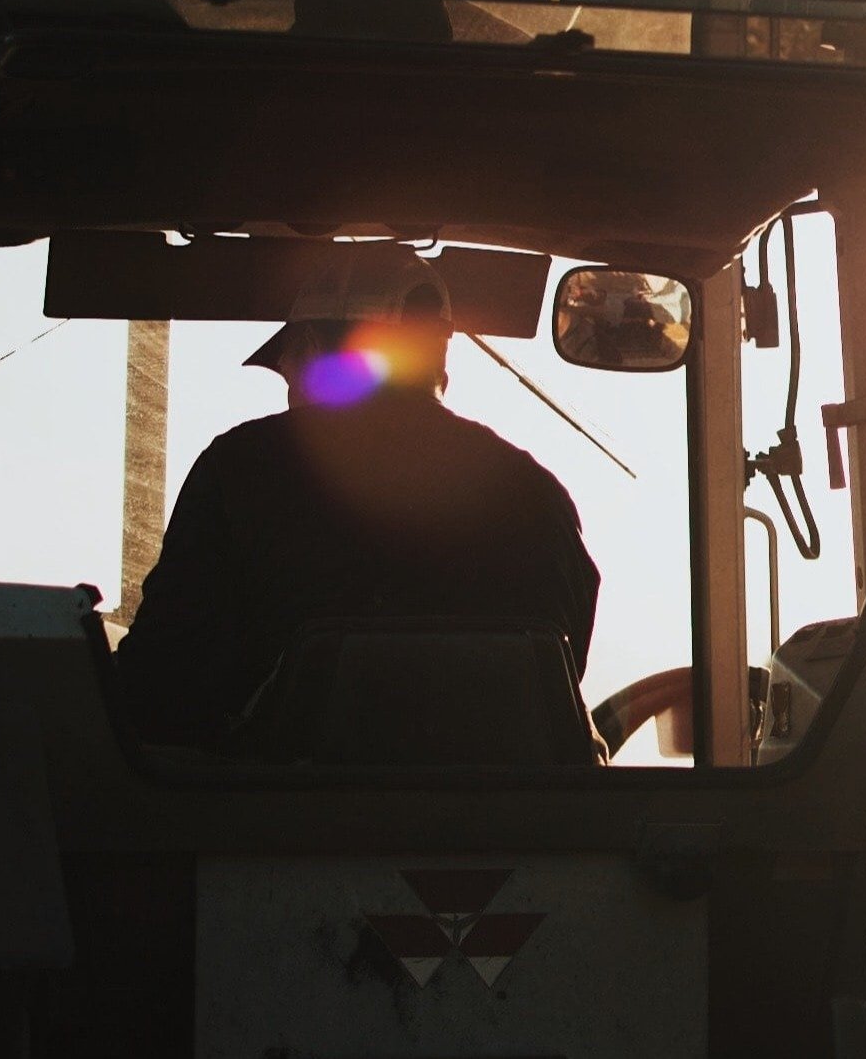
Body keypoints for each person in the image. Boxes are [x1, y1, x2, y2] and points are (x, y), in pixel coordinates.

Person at [113, 244, 599, 747]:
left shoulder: (239, 469)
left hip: (268, 815)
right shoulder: (535, 492)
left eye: (288, 364)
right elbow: (557, 680)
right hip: (503, 818)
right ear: (440, 358)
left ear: (310, 348)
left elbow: (160, 681)